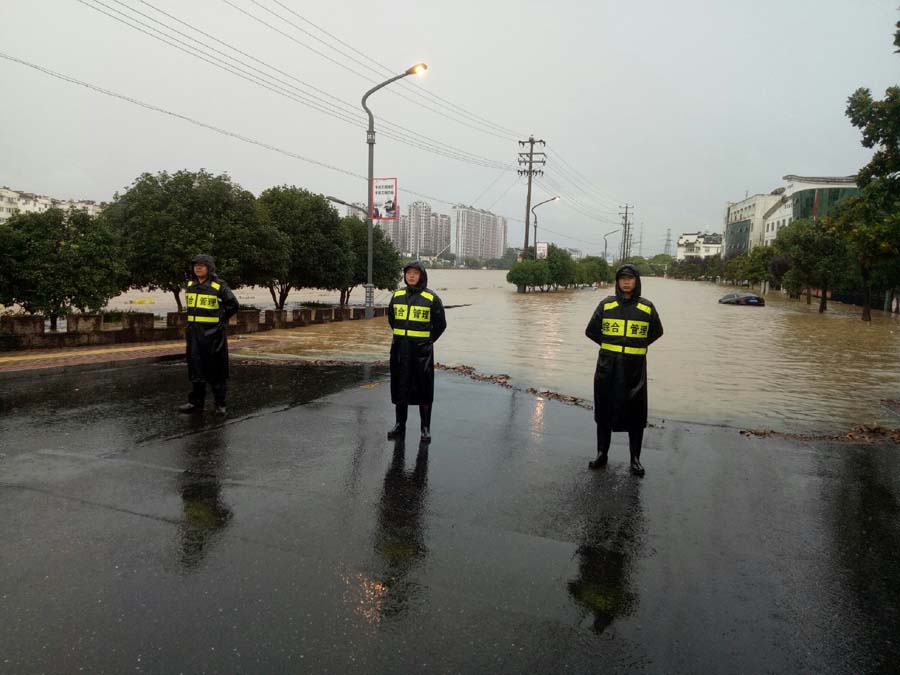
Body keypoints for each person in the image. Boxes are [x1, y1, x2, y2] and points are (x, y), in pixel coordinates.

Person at [584, 264, 663, 475]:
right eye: (622, 278)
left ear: (637, 281)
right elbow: (591, 331)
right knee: (604, 412)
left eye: (630, 278)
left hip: (634, 370)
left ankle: (635, 459)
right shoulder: (606, 305)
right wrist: (612, 346)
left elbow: (657, 332)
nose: (626, 282)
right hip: (607, 368)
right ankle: (602, 454)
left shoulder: (647, 308)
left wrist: (635, 346)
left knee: (636, 415)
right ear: (617, 282)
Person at [387, 261, 447, 443]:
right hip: (400, 350)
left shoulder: (431, 298)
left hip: (422, 353)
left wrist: (426, 342)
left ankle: (425, 428)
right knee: (400, 388)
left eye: (415, 273)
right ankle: (399, 425)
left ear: (422, 276)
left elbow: (440, 325)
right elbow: (392, 320)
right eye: (408, 273)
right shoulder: (397, 296)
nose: (411, 276)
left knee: (424, 390)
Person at [178, 254, 239, 415]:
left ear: (209, 268)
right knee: (195, 368)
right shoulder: (190, 285)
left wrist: (221, 320)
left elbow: (233, 304)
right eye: (195, 265)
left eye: (202, 265)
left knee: (216, 369)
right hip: (194, 333)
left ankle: (220, 404)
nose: (198, 267)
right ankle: (196, 403)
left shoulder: (219, 286)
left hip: (213, 334)